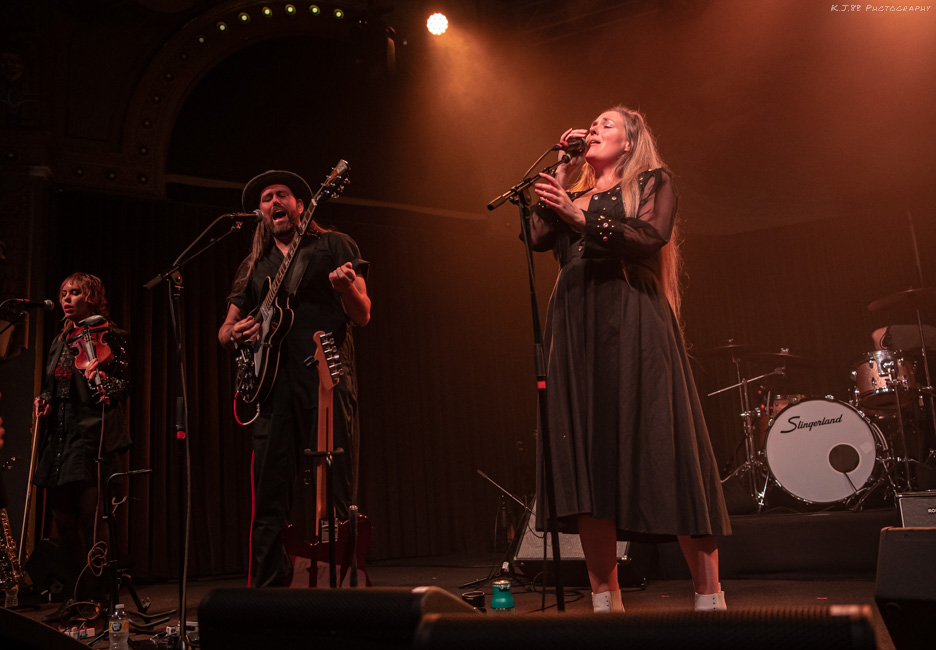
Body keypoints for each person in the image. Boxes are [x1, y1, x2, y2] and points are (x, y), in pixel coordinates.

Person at [531, 106, 731, 612]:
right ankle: (605, 600)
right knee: (586, 453)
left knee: (666, 444)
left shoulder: (651, 181)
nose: (593, 129)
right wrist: (562, 172)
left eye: (606, 125)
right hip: (576, 325)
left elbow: (649, 237)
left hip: (632, 317)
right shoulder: (573, 189)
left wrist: (582, 216)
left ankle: (709, 596)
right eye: (591, 125)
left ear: (629, 142)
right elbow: (536, 237)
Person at [219, 169, 371, 588]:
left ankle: (339, 584)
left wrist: (345, 290)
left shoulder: (333, 244)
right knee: (269, 492)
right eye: (266, 198)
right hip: (271, 389)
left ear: (301, 204)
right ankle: (268, 593)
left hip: (325, 377)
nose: (273, 202)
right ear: (261, 213)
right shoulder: (254, 265)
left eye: (281, 194)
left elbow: (363, 314)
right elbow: (224, 331)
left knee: (334, 484)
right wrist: (239, 333)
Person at [33, 272, 131, 603]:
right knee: (63, 522)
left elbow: (123, 386)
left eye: (75, 292)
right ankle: (77, 597)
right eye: (64, 293)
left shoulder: (112, 336)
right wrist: (43, 401)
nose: (67, 298)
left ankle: (99, 597)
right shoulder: (59, 342)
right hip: (59, 438)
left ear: (90, 297)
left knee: (92, 522)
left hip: (90, 435)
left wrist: (104, 380)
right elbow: (51, 386)